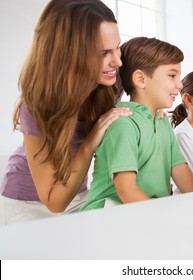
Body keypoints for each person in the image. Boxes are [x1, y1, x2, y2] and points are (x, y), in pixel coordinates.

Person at [0, 0, 132, 225]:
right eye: (103, 53)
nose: (117, 61)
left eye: (117, 46)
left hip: (77, 192)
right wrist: (91, 141)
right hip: (28, 203)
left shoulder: (112, 81)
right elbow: (54, 202)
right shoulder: (36, 105)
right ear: (69, 53)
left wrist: (153, 112)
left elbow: (150, 85)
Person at [80, 37, 193, 211]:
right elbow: (127, 191)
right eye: (172, 75)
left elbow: (179, 169)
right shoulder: (122, 124)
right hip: (107, 217)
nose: (180, 85)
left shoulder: (162, 121)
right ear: (141, 79)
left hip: (143, 214)